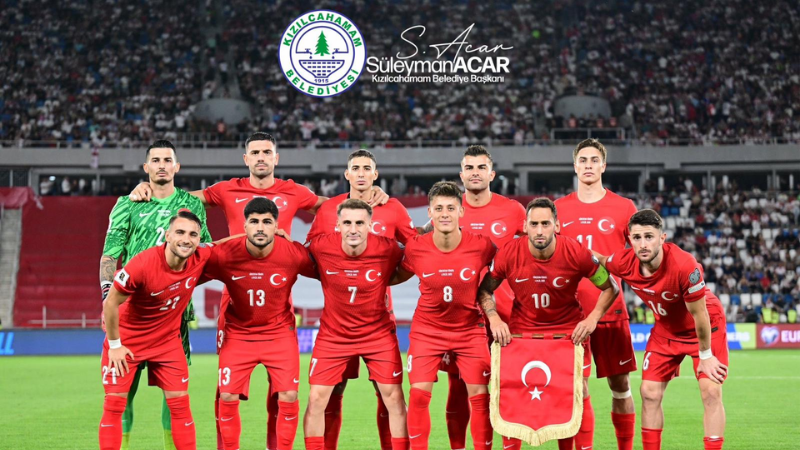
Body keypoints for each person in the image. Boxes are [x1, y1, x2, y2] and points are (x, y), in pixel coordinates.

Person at [129, 132, 388, 450]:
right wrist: (149, 188)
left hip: (278, 294)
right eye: (255, 152)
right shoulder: (226, 189)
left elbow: (334, 208)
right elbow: (183, 199)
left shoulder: (293, 192)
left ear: (276, 158)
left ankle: (274, 445)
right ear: (246, 159)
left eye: (267, 152)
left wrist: (368, 194)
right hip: (234, 296)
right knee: (226, 388)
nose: (261, 157)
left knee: (282, 389)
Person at [477, 197, 620, 450]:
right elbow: (485, 290)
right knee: (513, 396)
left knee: (578, 392)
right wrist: (494, 317)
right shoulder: (509, 253)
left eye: (545, 223)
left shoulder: (577, 252)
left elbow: (611, 287)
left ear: (557, 225)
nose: (540, 230)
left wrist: (592, 318)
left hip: (568, 334)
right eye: (534, 224)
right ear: (525, 226)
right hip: (522, 335)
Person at [100, 140, 211, 450]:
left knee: (174, 393)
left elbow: (204, 252)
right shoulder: (128, 203)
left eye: (167, 160)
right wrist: (107, 297)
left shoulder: (191, 204)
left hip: (175, 314)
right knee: (123, 391)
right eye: (156, 160)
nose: (162, 165)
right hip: (132, 310)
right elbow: (110, 255)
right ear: (146, 167)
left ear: (177, 166)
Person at [306, 149, 418, 450]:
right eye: (355, 168)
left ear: (375, 174)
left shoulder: (392, 208)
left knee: (387, 394)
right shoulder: (329, 209)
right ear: (347, 174)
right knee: (332, 392)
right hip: (337, 321)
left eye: (367, 168)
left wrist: (384, 278)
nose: (361, 173)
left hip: (378, 318)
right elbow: (311, 254)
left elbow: (414, 250)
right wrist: (338, 277)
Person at [594, 209, 728, 450]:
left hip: (705, 326)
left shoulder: (684, 265)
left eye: (649, 237)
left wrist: (706, 355)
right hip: (666, 328)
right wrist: (567, 247)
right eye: (637, 238)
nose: (643, 244)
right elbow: (599, 259)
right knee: (649, 392)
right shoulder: (624, 262)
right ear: (630, 239)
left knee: (710, 392)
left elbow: (700, 314)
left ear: (662, 238)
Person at [202, 198, 317, 450]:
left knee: (289, 395)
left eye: (267, 222)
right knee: (227, 395)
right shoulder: (225, 255)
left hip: (279, 333)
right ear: (244, 226)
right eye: (254, 222)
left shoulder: (293, 254)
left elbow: (328, 270)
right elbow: (188, 271)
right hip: (238, 334)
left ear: (276, 226)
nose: (260, 227)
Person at [393, 181, 497, 450]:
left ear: (461, 211)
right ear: (430, 213)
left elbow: (503, 271)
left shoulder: (482, 246)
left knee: (480, 397)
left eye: (451, 208)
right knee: (418, 396)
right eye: (438, 208)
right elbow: (393, 276)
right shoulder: (416, 248)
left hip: (469, 330)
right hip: (427, 331)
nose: (445, 214)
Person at [554, 138, 639, 450]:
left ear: (603, 166)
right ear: (574, 166)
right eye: (583, 160)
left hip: (611, 310)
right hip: (569, 313)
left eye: (594, 160)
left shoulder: (624, 207)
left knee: (621, 385)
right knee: (576, 386)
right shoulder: (558, 208)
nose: (588, 165)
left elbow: (638, 256)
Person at [439, 145, 526, 450]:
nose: (475, 173)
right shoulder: (449, 209)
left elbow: (536, 248)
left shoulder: (513, 210)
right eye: (469, 168)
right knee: (457, 386)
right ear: (461, 174)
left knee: (507, 385)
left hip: (505, 314)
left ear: (492, 174)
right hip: (458, 315)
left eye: (481, 167)